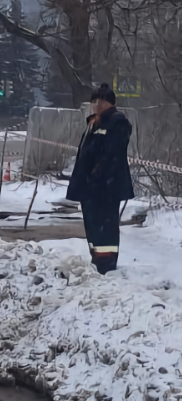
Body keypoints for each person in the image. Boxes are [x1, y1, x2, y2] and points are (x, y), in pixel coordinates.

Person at [66, 83, 134, 274]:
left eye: (100, 100)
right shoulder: (94, 123)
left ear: (109, 102)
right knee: (93, 225)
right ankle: (97, 259)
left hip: (105, 187)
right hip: (90, 187)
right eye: (93, 100)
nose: (96, 104)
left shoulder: (116, 122)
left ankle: (106, 264)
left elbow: (112, 153)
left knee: (105, 227)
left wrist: (97, 175)